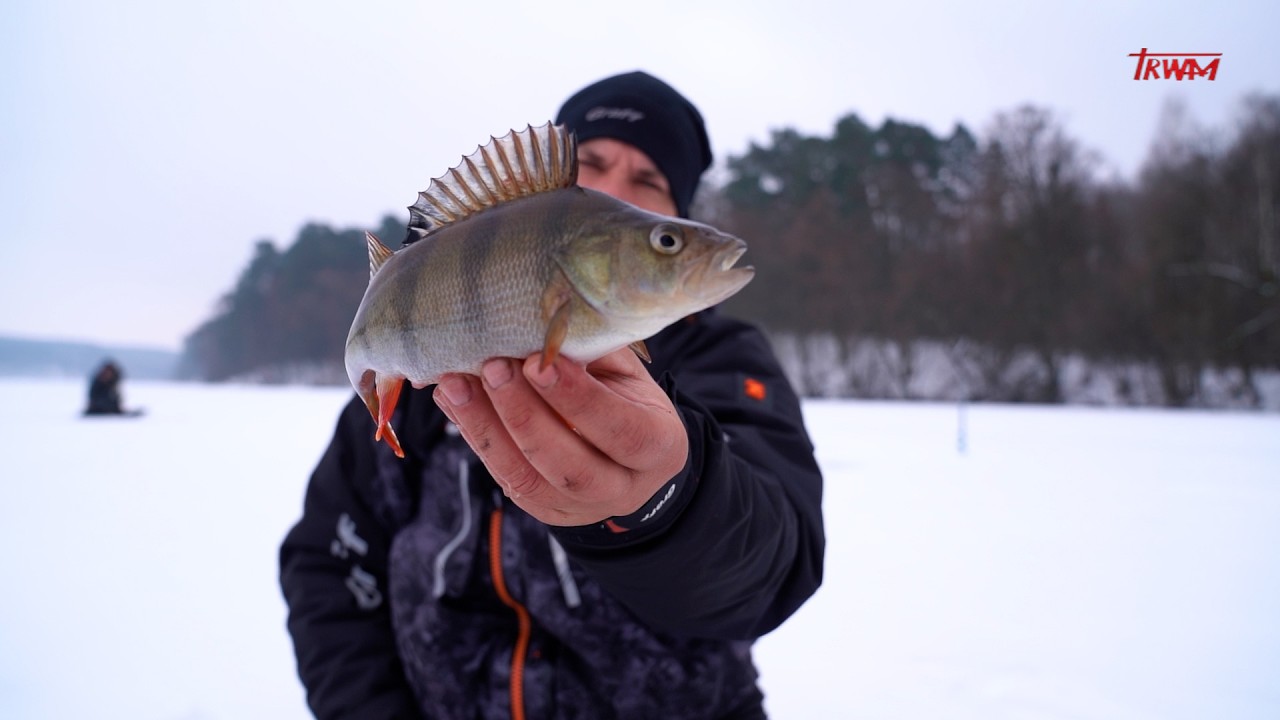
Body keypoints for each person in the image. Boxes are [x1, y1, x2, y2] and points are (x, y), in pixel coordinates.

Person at [279, 70, 825, 720]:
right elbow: (328, 568)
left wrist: (672, 504)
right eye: (592, 162)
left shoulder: (724, 360)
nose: (615, 187)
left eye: (649, 187)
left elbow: (772, 565)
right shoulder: (429, 373)